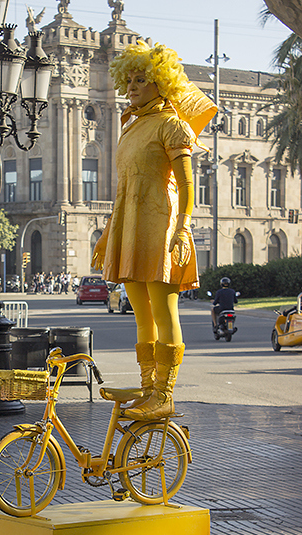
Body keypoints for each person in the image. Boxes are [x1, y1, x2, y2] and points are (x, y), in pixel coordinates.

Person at [92, 40, 216, 420]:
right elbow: (123, 190)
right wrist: (108, 235)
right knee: (141, 316)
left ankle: (164, 394)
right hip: (130, 229)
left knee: (164, 313)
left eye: (141, 79)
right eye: (128, 80)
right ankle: (148, 388)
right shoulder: (130, 127)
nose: (131, 86)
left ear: (161, 82)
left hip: (161, 227)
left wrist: (182, 227)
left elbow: (188, 184)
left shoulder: (172, 125)